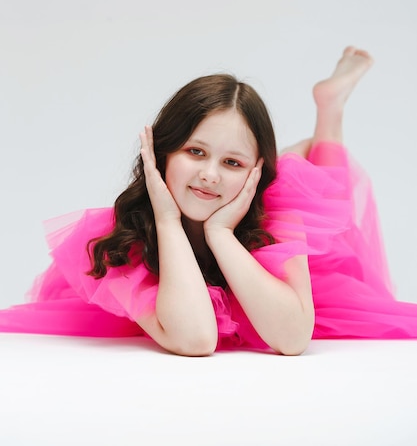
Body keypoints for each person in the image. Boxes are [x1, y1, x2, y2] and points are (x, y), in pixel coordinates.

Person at [1, 46, 416, 355]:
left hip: (258, 213)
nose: (209, 174)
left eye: (232, 162)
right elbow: (196, 338)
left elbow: (292, 339)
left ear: (256, 174)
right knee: (258, 166)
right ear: (163, 151)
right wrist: (166, 220)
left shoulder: (277, 205)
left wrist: (220, 233)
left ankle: (330, 112)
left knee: (324, 178)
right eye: (194, 151)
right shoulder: (121, 240)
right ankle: (279, 147)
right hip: (177, 209)